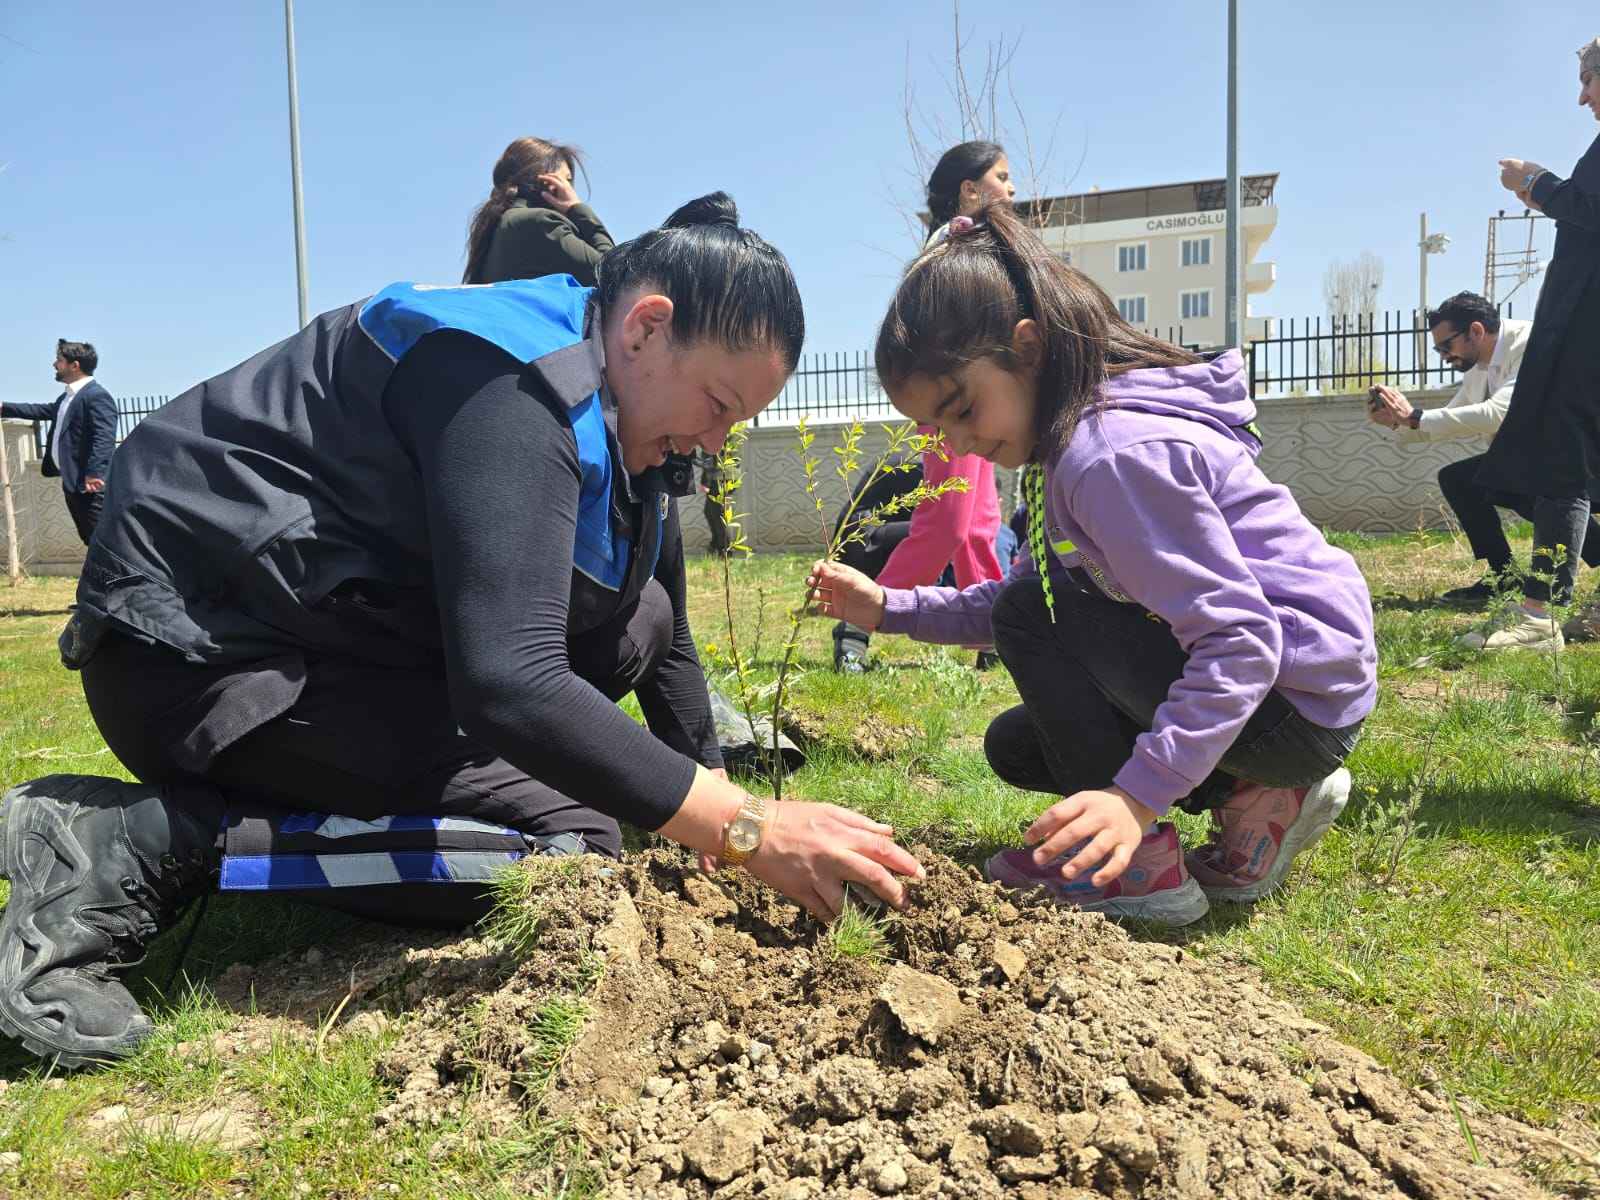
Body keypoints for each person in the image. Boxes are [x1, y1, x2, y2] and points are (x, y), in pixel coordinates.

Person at [0, 194, 923, 1069]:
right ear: (646, 327)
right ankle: (142, 843)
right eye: (720, 408)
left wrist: (708, 797)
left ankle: (376, 783)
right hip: (203, 661)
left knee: (632, 618)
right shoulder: (514, 381)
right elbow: (509, 682)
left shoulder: (623, 399)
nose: (719, 442)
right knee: (578, 845)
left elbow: (663, 621)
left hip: (333, 633)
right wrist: (750, 829)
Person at [808, 206, 1376, 927]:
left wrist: (1132, 800)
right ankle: (1262, 798)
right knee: (1016, 745)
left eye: (961, 409)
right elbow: (1030, 595)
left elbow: (1240, 640)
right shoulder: (1064, 449)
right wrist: (887, 610)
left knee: (1031, 621)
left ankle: (1138, 865)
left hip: (1290, 702)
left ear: (1030, 348)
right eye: (938, 428)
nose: (958, 441)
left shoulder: (1106, 456)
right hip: (1299, 701)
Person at [829, 141, 1019, 673]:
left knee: (980, 526)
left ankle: (989, 638)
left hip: (974, 401)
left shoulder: (968, 242)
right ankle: (856, 622)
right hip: (952, 405)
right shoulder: (954, 243)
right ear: (969, 188)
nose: (1011, 188)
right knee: (947, 523)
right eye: (1001, 177)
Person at [1461, 38, 1600, 650]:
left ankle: (1539, 615)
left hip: (1586, 333)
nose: (1583, 95)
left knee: (1561, 464)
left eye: (1590, 78)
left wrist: (1540, 184)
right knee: (1566, 465)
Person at [1368, 294, 1600, 604]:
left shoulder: (1532, 344)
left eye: (1445, 346)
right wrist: (1396, 422)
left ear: (1475, 331)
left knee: (1531, 489)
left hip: (1585, 455)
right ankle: (1503, 577)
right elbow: (1442, 423)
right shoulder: (1479, 367)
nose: (1443, 356)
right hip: (1540, 460)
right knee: (1462, 479)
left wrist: (1415, 417)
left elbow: (1498, 413)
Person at [1, 340, 117, 545]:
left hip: (89, 485)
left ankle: (121, 577)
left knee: (104, 541)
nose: (55, 365)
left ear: (75, 365)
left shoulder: (96, 396)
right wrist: (4, 407)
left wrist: (94, 473)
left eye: (59, 360)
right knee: (91, 540)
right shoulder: (68, 398)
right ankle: (100, 577)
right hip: (73, 482)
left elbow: (104, 437)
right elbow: (41, 411)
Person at [463, 137, 615, 286]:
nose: (571, 189)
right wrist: (577, 208)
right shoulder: (540, 222)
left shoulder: (496, 225)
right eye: (566, 180)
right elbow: (613, 272)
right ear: (549, 183)